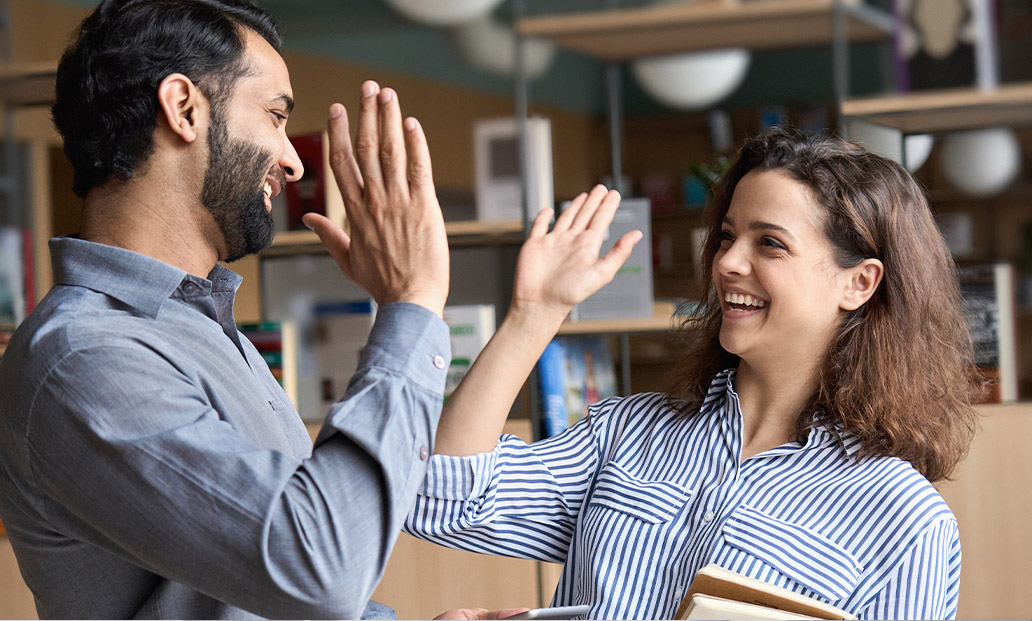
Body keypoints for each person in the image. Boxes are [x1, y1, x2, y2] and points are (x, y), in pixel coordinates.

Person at [0, 1, 637, 619]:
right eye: (275, 116)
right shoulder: (86, 357)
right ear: (183, 108)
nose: (292, 158)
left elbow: (267, 592)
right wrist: (411, 302)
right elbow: (318, 567)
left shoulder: (198, 328)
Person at [406, 127, 982, 620]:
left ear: (859, 283)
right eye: (728, 236)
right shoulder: (626, 434)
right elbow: (439, 498)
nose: (727, 262)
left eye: (771, 244)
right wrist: (533, 316)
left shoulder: (906, 523)